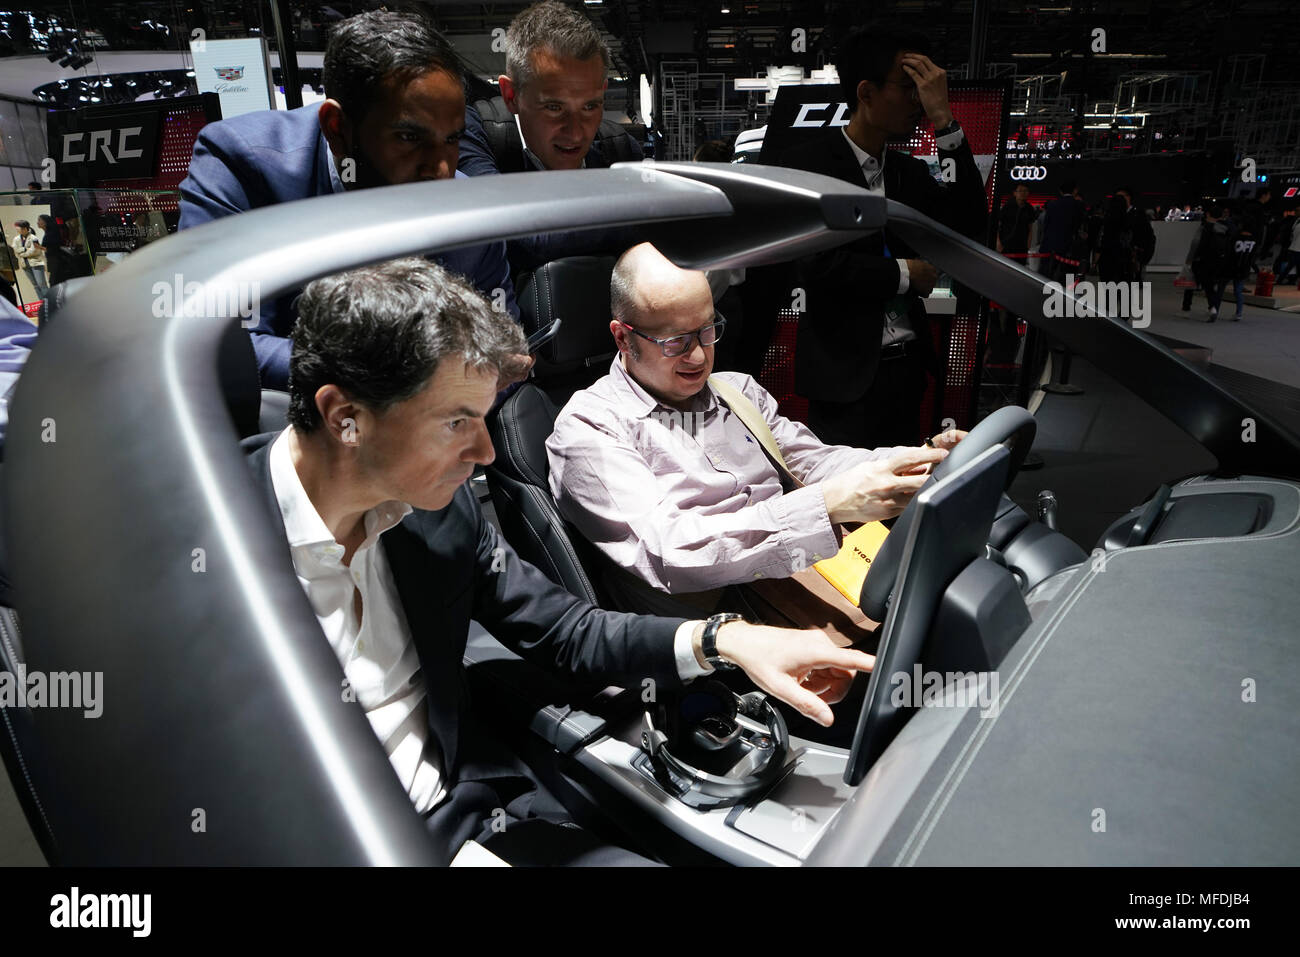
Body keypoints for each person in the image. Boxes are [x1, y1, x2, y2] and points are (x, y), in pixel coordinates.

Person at [248, 255, 874, 865]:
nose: (487, 452)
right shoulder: (202, 550)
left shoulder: (438, 512)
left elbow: (565, 630)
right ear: (345, 418)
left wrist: (726, 640)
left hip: (455, 814)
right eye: (456, 422)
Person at [547, 243, 957, 627]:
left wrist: (918, 459)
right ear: (623, 336)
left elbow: (813, 462)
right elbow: (667, 553)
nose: (698, 356)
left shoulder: (736, 391)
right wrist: (825, 506)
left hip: (804, 575)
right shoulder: (590, 427)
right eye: (675, 342)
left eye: (707, 330)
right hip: (716, 621)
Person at [179, 10, 519, 390]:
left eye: (452, 140)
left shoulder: (467, 208)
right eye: (409, 138)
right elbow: (219, 344)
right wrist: (391, 376)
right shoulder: (242, 167)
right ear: (337, 129)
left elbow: (497, 343)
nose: (441, 170)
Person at [776, 24, 986, 449]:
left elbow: (968, 225)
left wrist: (945, 122)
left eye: (921, 90)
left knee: (901, 500)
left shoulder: (908, 174)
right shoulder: (808, 166)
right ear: (866, 93)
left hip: (906, 372)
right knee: (846, 506)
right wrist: (905, 274)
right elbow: (815, 264)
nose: (917, 103)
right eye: (907, 88)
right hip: (842, 379)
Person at [456, 0, 645, 274]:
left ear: (603, 90)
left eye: (590, 106)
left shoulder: (619, 149)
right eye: (554, 108)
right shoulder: (473, 135)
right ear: (511, 96)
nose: (576, 132)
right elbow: (517, 238)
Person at [1038, 180, 1085, 284]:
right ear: (1075, 191)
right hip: (1067, 247)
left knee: (1045, 275)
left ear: (1060, 191)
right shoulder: (1078, 205)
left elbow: (1046, 225)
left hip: (1048, 245)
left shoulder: (1052, 204)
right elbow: (1077, 225)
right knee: (1064, 277)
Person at [1191, 202, 1232, 322]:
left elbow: (1200, 244)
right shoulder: (1226, 227)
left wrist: (1195, 258)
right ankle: (1213, 307)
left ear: (1208, 214)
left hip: (1206, 260)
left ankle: (1212, 307)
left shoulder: (1207, 227)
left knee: (1207, 284)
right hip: (1221, 260)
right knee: (1213, 285)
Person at [1116, 187, 1156, 280]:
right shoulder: (1115, 214)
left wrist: (1140, 253)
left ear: (1128, 197)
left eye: (1121, 197)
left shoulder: (1138, 214)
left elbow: (1147, 235)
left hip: (1133, 256)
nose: (1118, 200)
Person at [997, 183, 1038, 261]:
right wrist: (998, 242)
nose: (1023, 193)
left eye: (1025, 191)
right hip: (1006, 244)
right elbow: (998, 225)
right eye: (1020, 191)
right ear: (1015, 193)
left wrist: (1028, 245)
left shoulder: (1029, 209)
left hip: (1021, 246)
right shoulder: (1007, 206)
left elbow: (1030, 228)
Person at [10, 220, 47, 298]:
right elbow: (15, 250)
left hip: (36, 263)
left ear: (24, 228)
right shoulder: (16, 239)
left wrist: (22, 253)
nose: (16, 229)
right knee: (35, 285)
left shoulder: (33, 237)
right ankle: (42, 303)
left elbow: (34, 251)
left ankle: (50, 302)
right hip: (25, 265)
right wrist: (25, 249)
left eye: (18, 227)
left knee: (42, 285)